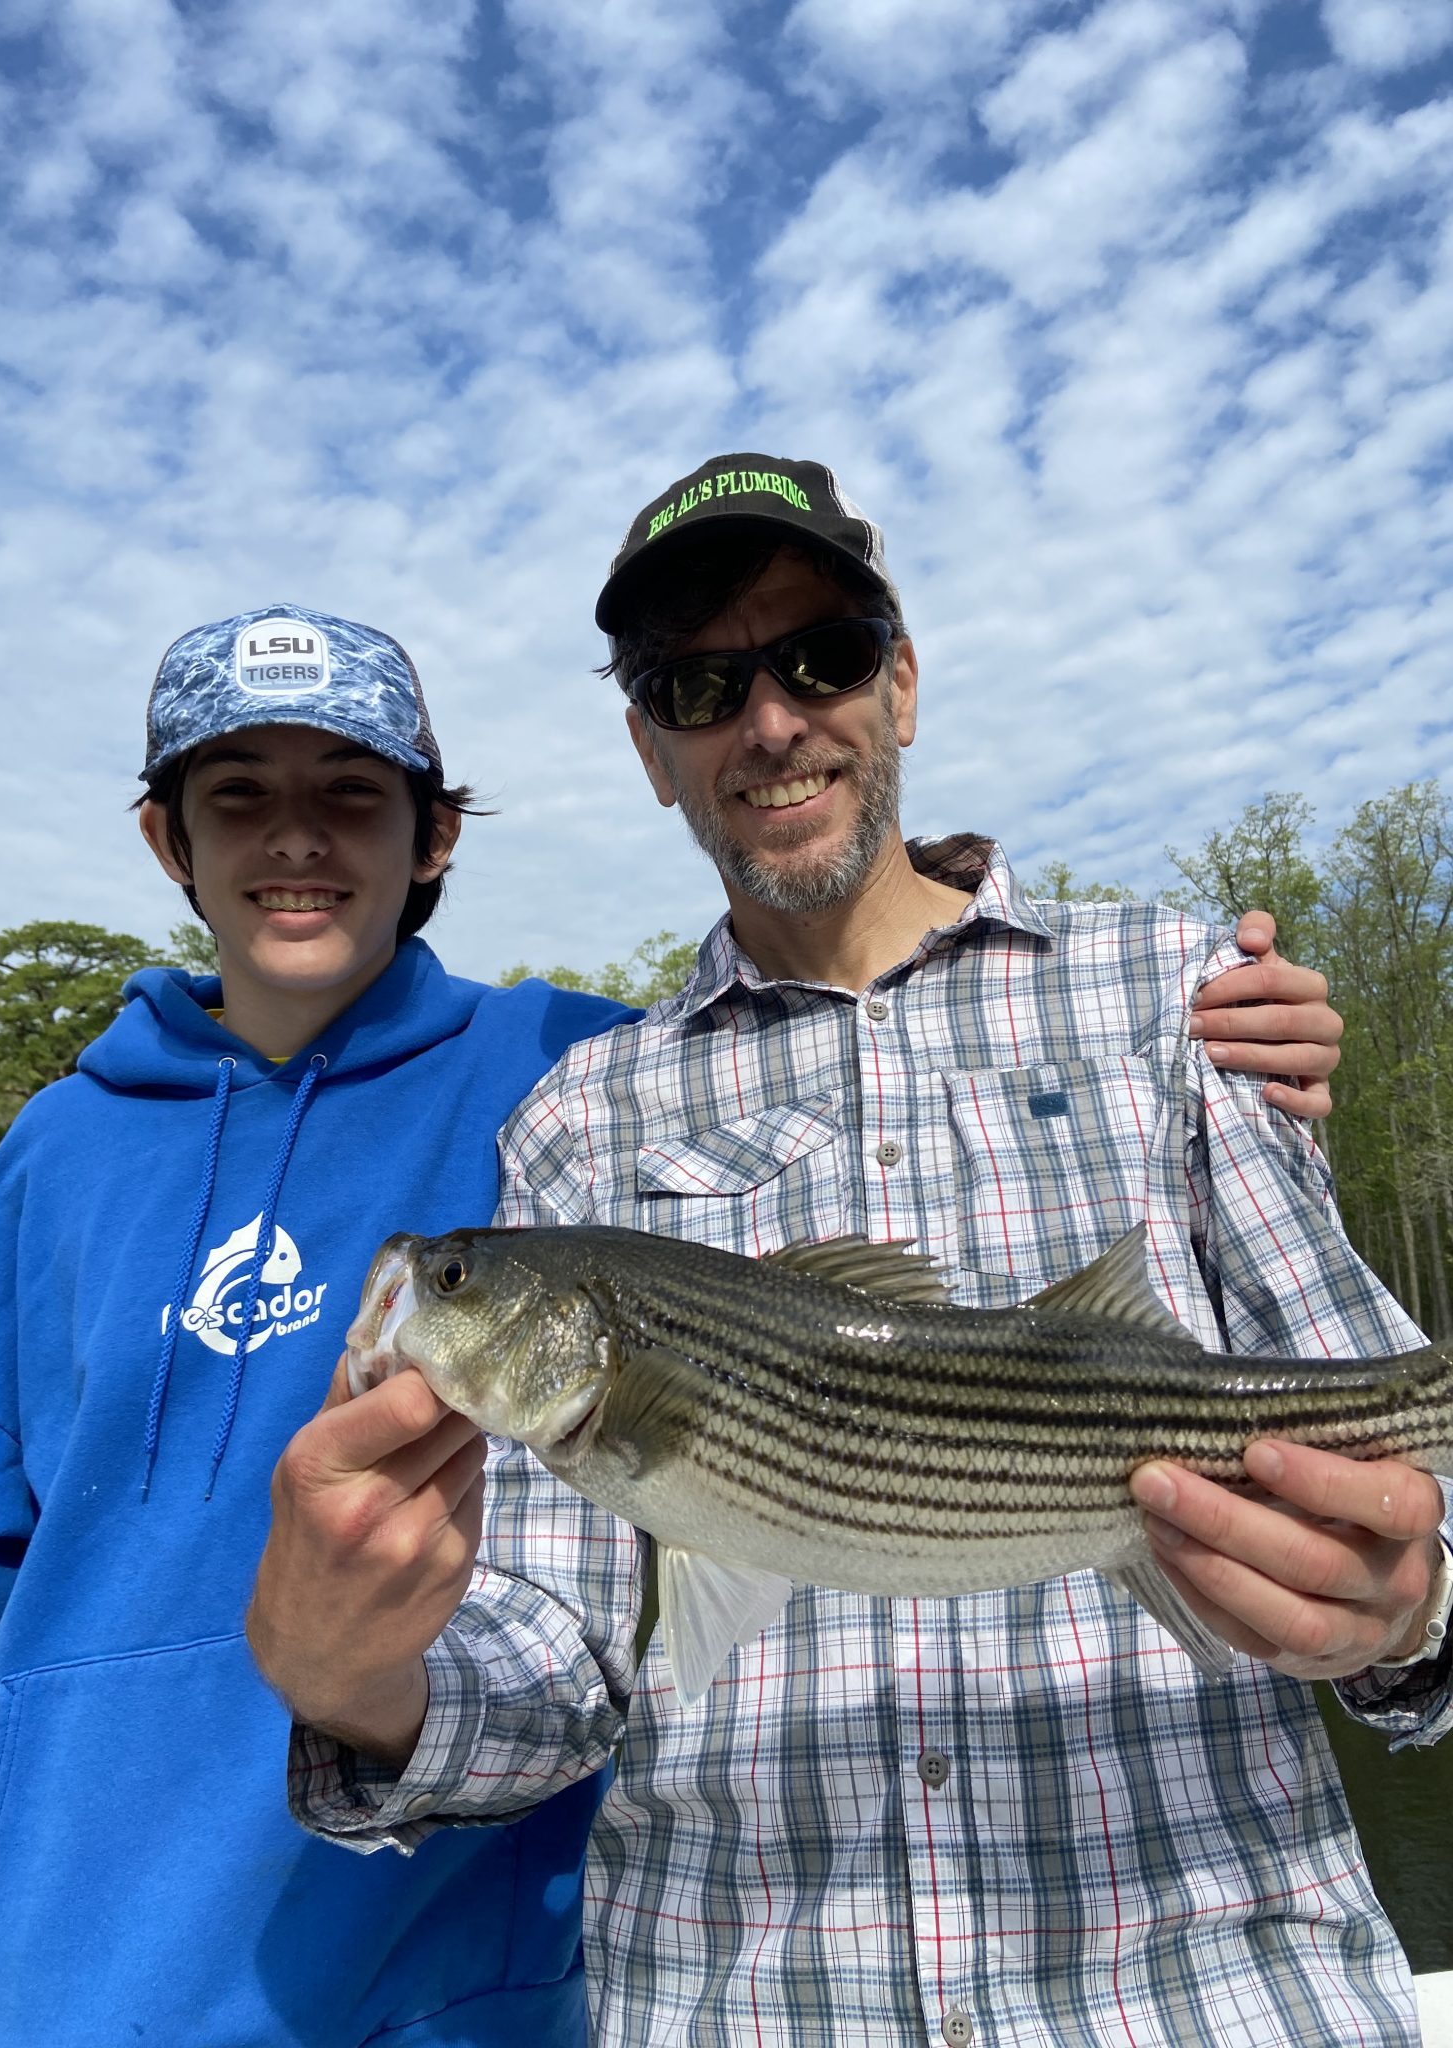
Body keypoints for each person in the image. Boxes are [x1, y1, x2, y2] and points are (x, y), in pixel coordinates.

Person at [248, 459, 1452, 2048]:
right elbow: (563, 1647)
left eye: (818, 656)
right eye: (697, 684)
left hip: (1213, 1993)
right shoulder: (578, 1122)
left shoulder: (1183, 994)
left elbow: (1388, 1444)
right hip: (754, 2000)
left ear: (899, 680)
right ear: (650, 749)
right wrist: (359, 1686)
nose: (768, 722)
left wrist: (1407, 1611)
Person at [0, 604, 628, 2047]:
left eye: (350, 795)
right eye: (237, 795)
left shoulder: (571, 1072)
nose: (295, 837)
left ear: (433, 836)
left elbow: (824, 1038)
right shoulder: (53, 1152)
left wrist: (1214, 1008)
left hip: (442, 1992)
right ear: (168, 841)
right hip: (50, 1979)